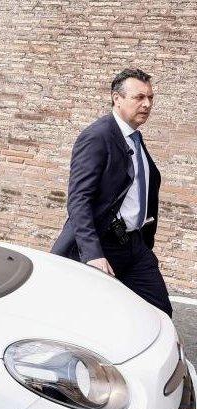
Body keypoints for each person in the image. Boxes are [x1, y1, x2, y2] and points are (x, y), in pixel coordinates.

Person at [51, 69, 172, 317]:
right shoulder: (98, 136)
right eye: (139, 97)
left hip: (134, 246)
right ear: (117, 99)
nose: (147, 104)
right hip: (103, 245)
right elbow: (78, 200)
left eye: (150, 97)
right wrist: (93, 255)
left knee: (159, 312)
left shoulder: (133, 138)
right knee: (89, 316)